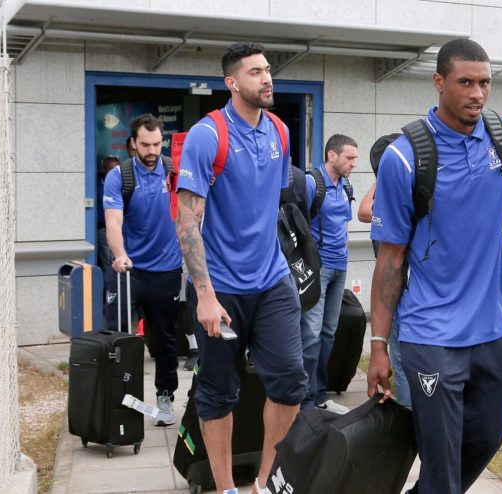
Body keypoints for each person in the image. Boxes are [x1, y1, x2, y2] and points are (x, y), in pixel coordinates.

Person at [366, 38, 502, 494]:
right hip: (430, 333)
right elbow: (390, 258)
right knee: (442, 459)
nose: (477, 93)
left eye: (485, 82)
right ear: (439, 81)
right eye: (465, 82)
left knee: (486, 438)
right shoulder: (404, 157)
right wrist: (379, 344)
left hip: (491, 328)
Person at [175, 42, 307, 494]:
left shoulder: (280, 131)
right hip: (219, 288)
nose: (267, 78)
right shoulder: (208, 135)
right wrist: (205, 296)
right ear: (231, 82)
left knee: (290, 384)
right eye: (255, 72)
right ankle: (227, 488)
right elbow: (187, 221)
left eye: (268, 70)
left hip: (272, 280)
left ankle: (264, 484)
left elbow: (271, 203)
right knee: (217, 393)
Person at [103, 113, 182, 427]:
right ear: (133, 143)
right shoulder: (120, 176)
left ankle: (165, 399)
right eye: (145, 145)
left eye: (157, 144)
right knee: (120, 341)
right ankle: (119, 402)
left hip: (166, 271)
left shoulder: (174, 172)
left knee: (164, 341)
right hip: (130, 271)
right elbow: (113, 223)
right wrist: (120, 255)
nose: (152, 151)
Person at [300, 134, 357, 413]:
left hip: (340, 266)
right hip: (318, 267)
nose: (354, 163)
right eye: (349, 157)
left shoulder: (347, 185)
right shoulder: (312, 183)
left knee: (328, 332)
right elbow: (296, 223)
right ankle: (305, 399)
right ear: (331, 155)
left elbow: (344, 223)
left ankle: (320, 393)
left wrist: (344, 252)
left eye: (355, 158)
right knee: (310, 333)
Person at [357, 182, 411, 407]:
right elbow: (363, 212)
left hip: (407, 283)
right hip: (396, 282)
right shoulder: (396, 185)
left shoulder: (404, 186)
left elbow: (364, 210)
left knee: (403, 356)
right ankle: (408, 408)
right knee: (400, 356)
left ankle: (410, 408)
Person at [96, 155, 119, 273]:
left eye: (117, 169)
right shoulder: (97, 183)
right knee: (110, 262)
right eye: (112, 169)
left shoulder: (123, 182)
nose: (116, 172)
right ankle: (111, 283)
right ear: (104, 169)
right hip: (103, 228)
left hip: (121, 228)